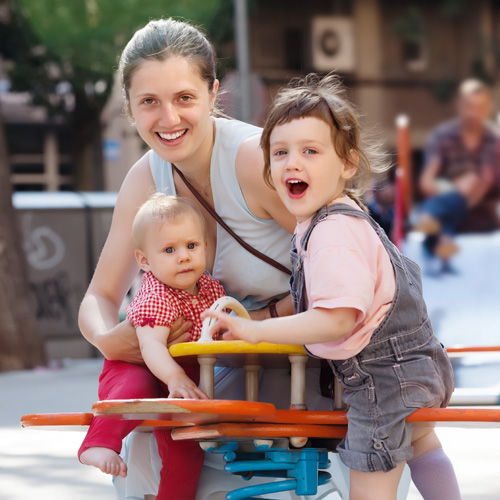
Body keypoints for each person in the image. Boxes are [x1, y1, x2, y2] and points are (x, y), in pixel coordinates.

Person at [78, 17, 321, 500]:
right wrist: (113, 340)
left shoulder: (257, 159)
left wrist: (251, 322)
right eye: (149, 101)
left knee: (206, 449)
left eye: (184, 98)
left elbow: (346, 274)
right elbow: (99, 295)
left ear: (213, 93)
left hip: (302, 365)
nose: (168, 119)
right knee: (145, 445)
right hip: (214, 368)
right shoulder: (145, 179)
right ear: (129, 107)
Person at [202, 73, 461, 500]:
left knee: (370, 481)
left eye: (310, 151)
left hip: (383, 381)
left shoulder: (331, 232)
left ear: (347, 164)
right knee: (422, 445)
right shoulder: (341, 217)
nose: (292, 163)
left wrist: (256, 331)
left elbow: (337, 318)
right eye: (280, 152)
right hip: (416, 366)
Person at [79, 194, 224, 492]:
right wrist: (175, 377)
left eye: (191, 246)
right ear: (144, 261)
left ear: (206, 247)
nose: (184, 256)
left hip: (179, 375)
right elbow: (152, 347)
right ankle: (98, 444)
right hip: (136, 366)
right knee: (136, 391)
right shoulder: (155, 294)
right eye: (169, 249)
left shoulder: (210, 287)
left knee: (187, 447)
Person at [414, 78, 498, 274]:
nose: (474, 113)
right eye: (469, 106)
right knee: (459, 196)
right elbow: (426, 182)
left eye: (480, 107)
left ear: (488, 108)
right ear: (459, 105)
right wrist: (456, 191)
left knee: (467, 187)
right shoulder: (442, 137)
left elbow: (484, 183)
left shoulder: (493, 141)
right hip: (448, 220)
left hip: (482, 229)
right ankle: (443, 238)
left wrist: (458, 193)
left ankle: (431, 218)